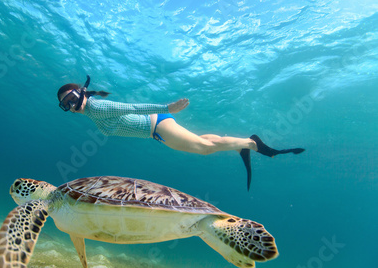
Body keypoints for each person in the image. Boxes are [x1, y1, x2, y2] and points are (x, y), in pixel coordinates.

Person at [57, 76, 305, 190]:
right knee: (205, 142)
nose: (70, 106)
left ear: (80, 92)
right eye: (64, 105)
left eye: (69, 98)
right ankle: (243, 145)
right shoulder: (92, 111)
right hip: (156, 128)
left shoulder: (96, 107)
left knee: (204, 149)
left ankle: (251, 144)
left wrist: (168, 107)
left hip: (156, 126)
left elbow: (132, 107)